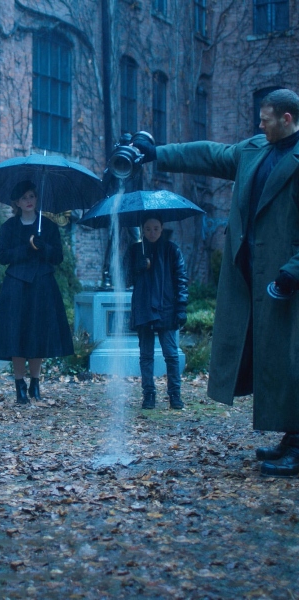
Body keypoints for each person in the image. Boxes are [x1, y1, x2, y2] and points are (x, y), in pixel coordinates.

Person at [132, 88, 299, 476]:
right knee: (272, 360)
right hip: (252, 280)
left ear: (287, 119)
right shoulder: (254, 150)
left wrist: (293, 270)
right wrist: (156, 152)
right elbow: (208, 154)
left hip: (286, 277)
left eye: (266, 117)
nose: (259, 123)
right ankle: (290, 438)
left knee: (291, 361)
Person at [0, 181, 74, 403]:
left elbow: (58, 258)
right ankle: (19, 384)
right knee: (17, 334)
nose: (28, 201)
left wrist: (44, 247)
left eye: (32, 196)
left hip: (42, 286)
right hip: (16, 286)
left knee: (38, 333)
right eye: (24, 197)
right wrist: (27, 247)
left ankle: (35, 382)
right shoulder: (9, 227)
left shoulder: (49, 227)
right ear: (17, 201)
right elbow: (3, 257)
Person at [124, 215, 188, 410]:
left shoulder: (171, 250)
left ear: (162, 228)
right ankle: (149, 394)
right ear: (143, 229)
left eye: (156, 228)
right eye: (148, 229)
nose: (152, 232)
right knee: (146, 354)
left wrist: (181, 307)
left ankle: (175, 394)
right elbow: (125, 278)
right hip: (143, 307)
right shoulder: (135, 250)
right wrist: (138, 266)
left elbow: (181, 279)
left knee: (171, 354)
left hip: (166, 307)